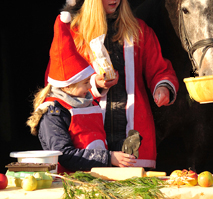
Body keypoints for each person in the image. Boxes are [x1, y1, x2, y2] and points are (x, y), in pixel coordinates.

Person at [58, 0, 179, 169]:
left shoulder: (139, 30)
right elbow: (60, 86)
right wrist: (94, 84)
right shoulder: (75, 36)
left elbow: (160, 69)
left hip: (135, 134)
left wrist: (163, 87)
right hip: (90, 134)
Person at [28, 13, 136, 173]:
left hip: (95, 180)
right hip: (68, 184)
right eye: (85, 83)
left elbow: (98, 143)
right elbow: (64, 154)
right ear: (66, 87)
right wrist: (109, 157)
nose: (89, 87)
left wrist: (122, 147)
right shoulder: (53, 112)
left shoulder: (90, 103)